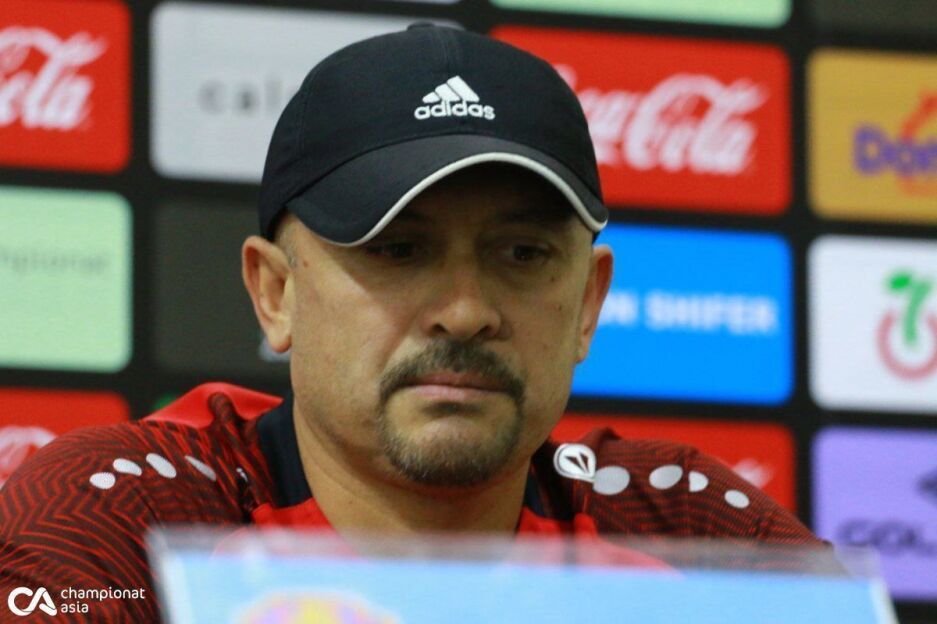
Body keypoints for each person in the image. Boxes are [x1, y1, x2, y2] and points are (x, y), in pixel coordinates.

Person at [0, 24, 820, 622]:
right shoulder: (117, 517)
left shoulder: (696, 533)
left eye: (522, 253)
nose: (464, 312)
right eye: (396, 250)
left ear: (587, 305)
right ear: (276, 293)